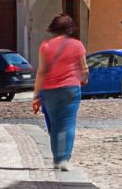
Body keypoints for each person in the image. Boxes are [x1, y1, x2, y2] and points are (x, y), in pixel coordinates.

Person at [31, 14, 89, 170]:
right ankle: (64, 159)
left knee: (55, 125)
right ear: (70, 29)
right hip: (71, 89)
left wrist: (36, 95)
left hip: (49, 90)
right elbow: (84, 69)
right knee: (68, 123)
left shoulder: (45, 46)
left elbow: (41, 72)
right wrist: (84, 79)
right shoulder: (77, 45)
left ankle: (57, 158)